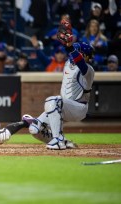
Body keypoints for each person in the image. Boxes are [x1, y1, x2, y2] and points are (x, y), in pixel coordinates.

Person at [26, 20, 95, 150]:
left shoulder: (88, 70)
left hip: (78, 108)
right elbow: (69, 55)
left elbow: (80, 62)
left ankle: (58, 140)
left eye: (78, 51)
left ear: (85, 56)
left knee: (53, 100)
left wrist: (69, 47)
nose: (75, 52)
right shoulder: (68, 63)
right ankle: (63, 140)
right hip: (63, 106)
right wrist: (64, 42)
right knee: (34, 128)